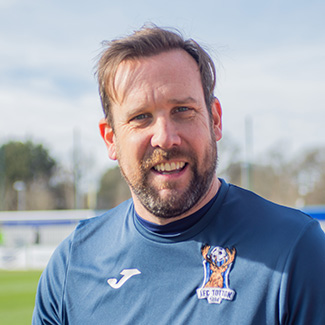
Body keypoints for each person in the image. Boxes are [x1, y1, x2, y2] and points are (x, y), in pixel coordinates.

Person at [33, 25, 325, 324]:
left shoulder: (295, 249)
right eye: (140, 117)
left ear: (214, 119)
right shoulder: (72, 264)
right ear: (110, 138)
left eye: (183, 110)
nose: (165, 138)